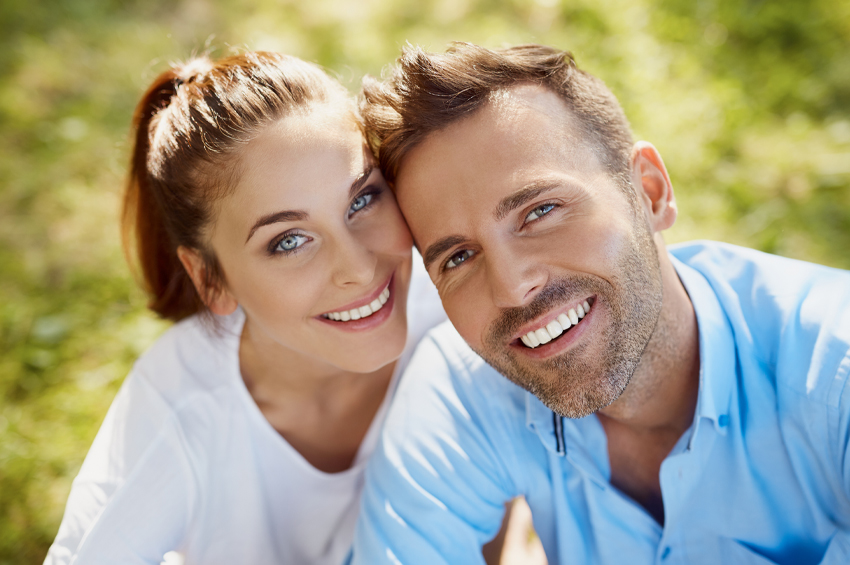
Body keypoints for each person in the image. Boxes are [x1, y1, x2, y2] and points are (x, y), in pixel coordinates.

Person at [351, 43, 850, 564]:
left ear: (650, 192)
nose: (512, 287)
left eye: (540, 211)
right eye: (457, 258)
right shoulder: (466, 394)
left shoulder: (833, 370)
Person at [43, 51, 449, 565]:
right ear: (210, 278)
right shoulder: (179, 410)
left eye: (362, 199)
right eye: (288, 241)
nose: (360, 269)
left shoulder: (451, 311)